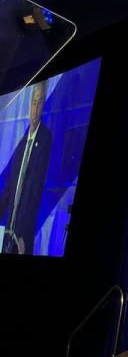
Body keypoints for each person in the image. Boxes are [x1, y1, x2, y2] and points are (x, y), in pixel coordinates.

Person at [0, 81, 52, 255]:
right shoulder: (22, 143)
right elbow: (9, 188)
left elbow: (34, 190)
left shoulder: (45, 138)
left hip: (23, 234)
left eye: (40, 103)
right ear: (30, 105)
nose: (36, 109)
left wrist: (22, 233)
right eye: (34, 103)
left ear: (43, 106)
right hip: (9, 231)